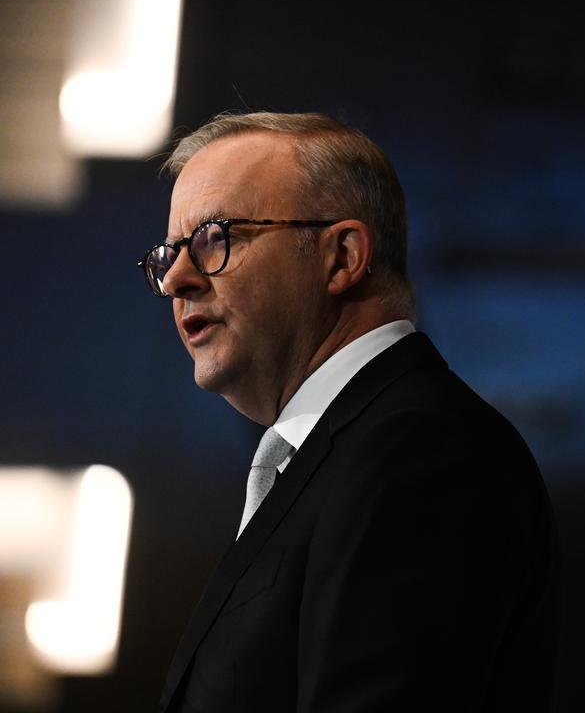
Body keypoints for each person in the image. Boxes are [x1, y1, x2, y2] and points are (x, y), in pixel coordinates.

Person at [140, 112, 559, 712]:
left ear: (341, 257)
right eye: (169, 255)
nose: (177, 279)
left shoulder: (422, 449)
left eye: (215, 238)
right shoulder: (347, 458)